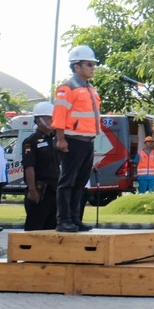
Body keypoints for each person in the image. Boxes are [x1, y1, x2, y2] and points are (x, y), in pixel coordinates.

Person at [53, 44, 103, 233]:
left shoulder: (90, 88)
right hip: (72, 141)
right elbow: (59, 114)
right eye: (89, 64)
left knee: (80, 183)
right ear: (76, 67)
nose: (93, 68)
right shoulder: (67, 88)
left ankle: (75, 219)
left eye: (93, 64)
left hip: (87, 141)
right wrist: (60, 139)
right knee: (67, 182)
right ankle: (63, 220)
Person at [22, 103, 59, 231]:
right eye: (49, 118)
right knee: (35, 227)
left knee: (52, 228)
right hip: (40, 190)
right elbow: (29, 166)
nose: (52, 120)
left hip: (54, 189)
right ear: (39, 120)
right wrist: (32, 190)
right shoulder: (31, 141)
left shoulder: (56, 140)